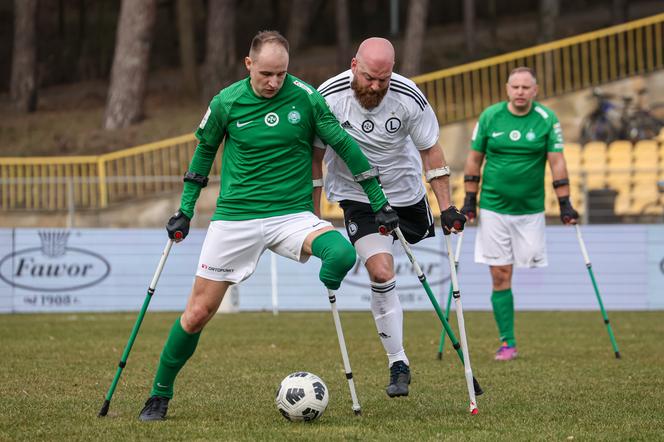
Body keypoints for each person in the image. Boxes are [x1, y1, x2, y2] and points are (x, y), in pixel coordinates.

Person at [138, 30, 400, 421]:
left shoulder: (307, 98)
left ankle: (327, 285)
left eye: (281, 74)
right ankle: (159, 394)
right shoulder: (226, 101)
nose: (274, 82)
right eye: (266, 74)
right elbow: (204, 154)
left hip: (291, 216)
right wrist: (186, 210)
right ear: (248, 65)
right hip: (235, 219)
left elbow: (345, 146)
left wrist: (378, 201)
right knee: (196, 314)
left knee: (343, 253)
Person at [313, 37, 466, 398]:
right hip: (358, 197)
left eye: (383, 79)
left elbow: (431, 151)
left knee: (403, 256)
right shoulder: (328, 96)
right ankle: (398, 361)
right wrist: (313, 216)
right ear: (354, 65)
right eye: (369, 78)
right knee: (381, 271)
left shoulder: (409, 96)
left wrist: (446, 207)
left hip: (406, 195)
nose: (376, 87)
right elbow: (314, 157)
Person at [461, 66, 579, 361]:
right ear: (507, 89)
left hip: (530, 211)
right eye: (515, 87)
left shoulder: (546, 119)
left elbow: (558, 162)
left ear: (535, 91)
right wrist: (469, 202)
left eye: (526, 87)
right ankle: (507, 342)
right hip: (493, 209)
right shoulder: (490, 116)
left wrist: (565, 204)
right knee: (500, 274)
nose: (520, 92)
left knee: (530, 267)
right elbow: (474, 160)